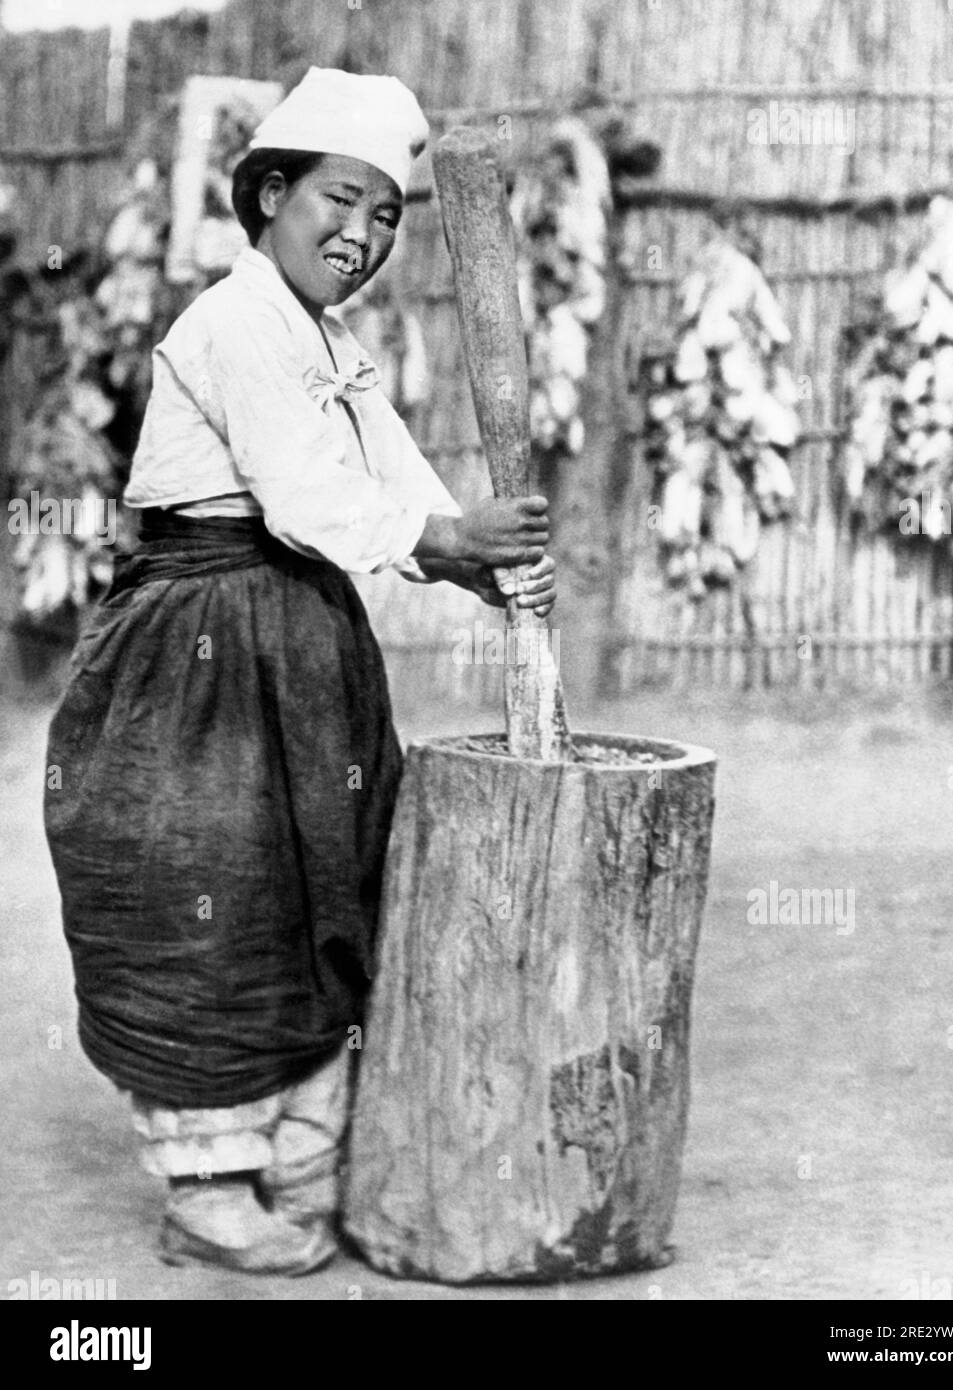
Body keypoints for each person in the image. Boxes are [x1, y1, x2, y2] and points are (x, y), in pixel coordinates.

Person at [44, 68, 556, 1277]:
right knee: (203, 881)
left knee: (321, 876)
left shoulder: (331, 344)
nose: (364, 234)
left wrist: (479, 562)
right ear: (271, 195)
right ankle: (211, 1185)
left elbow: (391, 468)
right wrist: (443, 542)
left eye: (387, 215)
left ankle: (306, 1150)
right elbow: (303, 488)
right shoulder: (229, 322)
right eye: (342, 200)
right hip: (194, 649)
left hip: (305, 637)